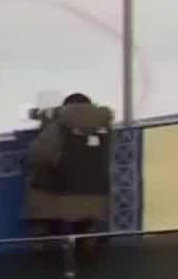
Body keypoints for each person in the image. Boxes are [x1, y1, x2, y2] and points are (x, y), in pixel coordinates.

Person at [24, 93, 113, 242]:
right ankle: (88, 240)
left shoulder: (59, 127)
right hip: (97, 195)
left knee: (39, 191)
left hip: (62, 196)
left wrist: (46, 127)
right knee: (84, 225)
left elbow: (37, 156)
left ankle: (43, 241)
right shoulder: (104, 126)